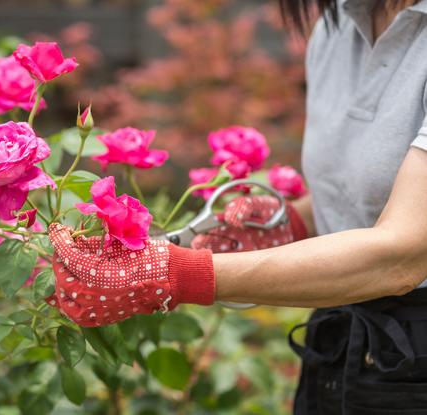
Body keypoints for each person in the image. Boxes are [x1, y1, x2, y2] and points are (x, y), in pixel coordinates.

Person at [46, 0, 427, 413]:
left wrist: (174, 274)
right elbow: (362, 196)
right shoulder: (339, 26)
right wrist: (291, 221)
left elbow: (403, 255)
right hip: (342, 344)